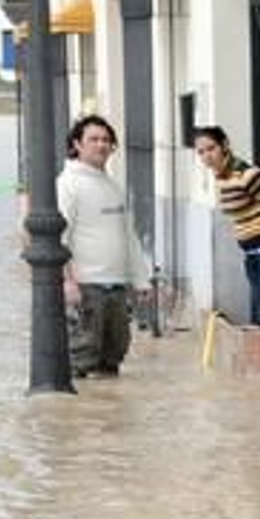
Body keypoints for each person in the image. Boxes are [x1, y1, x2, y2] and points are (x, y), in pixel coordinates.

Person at [58, 115, 149, 378]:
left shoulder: (112, 185)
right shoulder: (68, 184)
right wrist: (68, 282)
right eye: (94, 139)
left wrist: (141, 280)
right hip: (86, 287)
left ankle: (110, 418)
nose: (101, 145)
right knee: (82, 359)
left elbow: (128, 235)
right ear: (77, 144)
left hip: (117, 288)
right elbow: (61, 238)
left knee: (114, 358)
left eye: (106, 140)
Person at [192, 125, 260, 329]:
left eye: (211, 148)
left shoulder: (247, 174)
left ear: (224, 145)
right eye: (201, 152)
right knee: (259, 314)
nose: (207, 156)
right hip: (251, 251)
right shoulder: (221, 177)